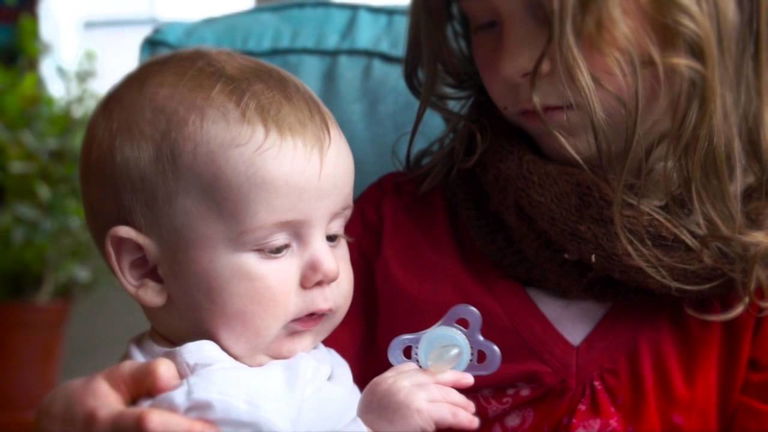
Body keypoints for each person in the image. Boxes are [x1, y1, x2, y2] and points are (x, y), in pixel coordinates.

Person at [38, 0, 768, 431]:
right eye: (484, 22)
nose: (516, 60)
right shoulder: (377, 241)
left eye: (554, 14)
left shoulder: (749, 274)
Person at [61, 48, 479, 432]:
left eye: (334, 234)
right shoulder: (205, 399)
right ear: (148, 269)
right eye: (276, 247)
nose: (327, 268)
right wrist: (374, 426)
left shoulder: (267, 359)